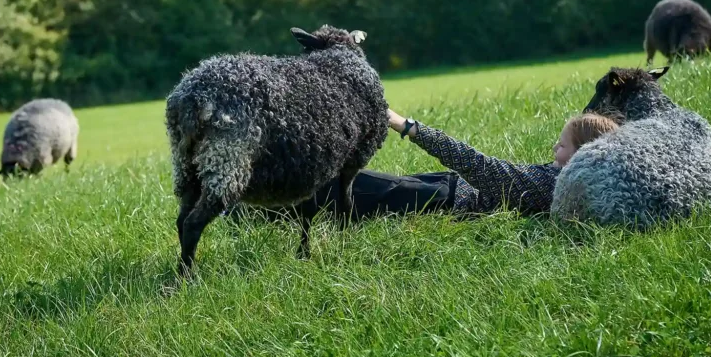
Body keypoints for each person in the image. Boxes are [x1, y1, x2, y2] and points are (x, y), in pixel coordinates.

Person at [225, 110, 618, 223]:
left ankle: (247, 209)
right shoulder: (563, 180)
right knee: (350, 191)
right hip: (447, 188)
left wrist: (409, 127)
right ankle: (254, 208)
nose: (554, 147)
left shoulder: (550, 185)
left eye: (562, 144)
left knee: (349, 188)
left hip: (445, 201)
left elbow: (481, 167)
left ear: (582, 154)